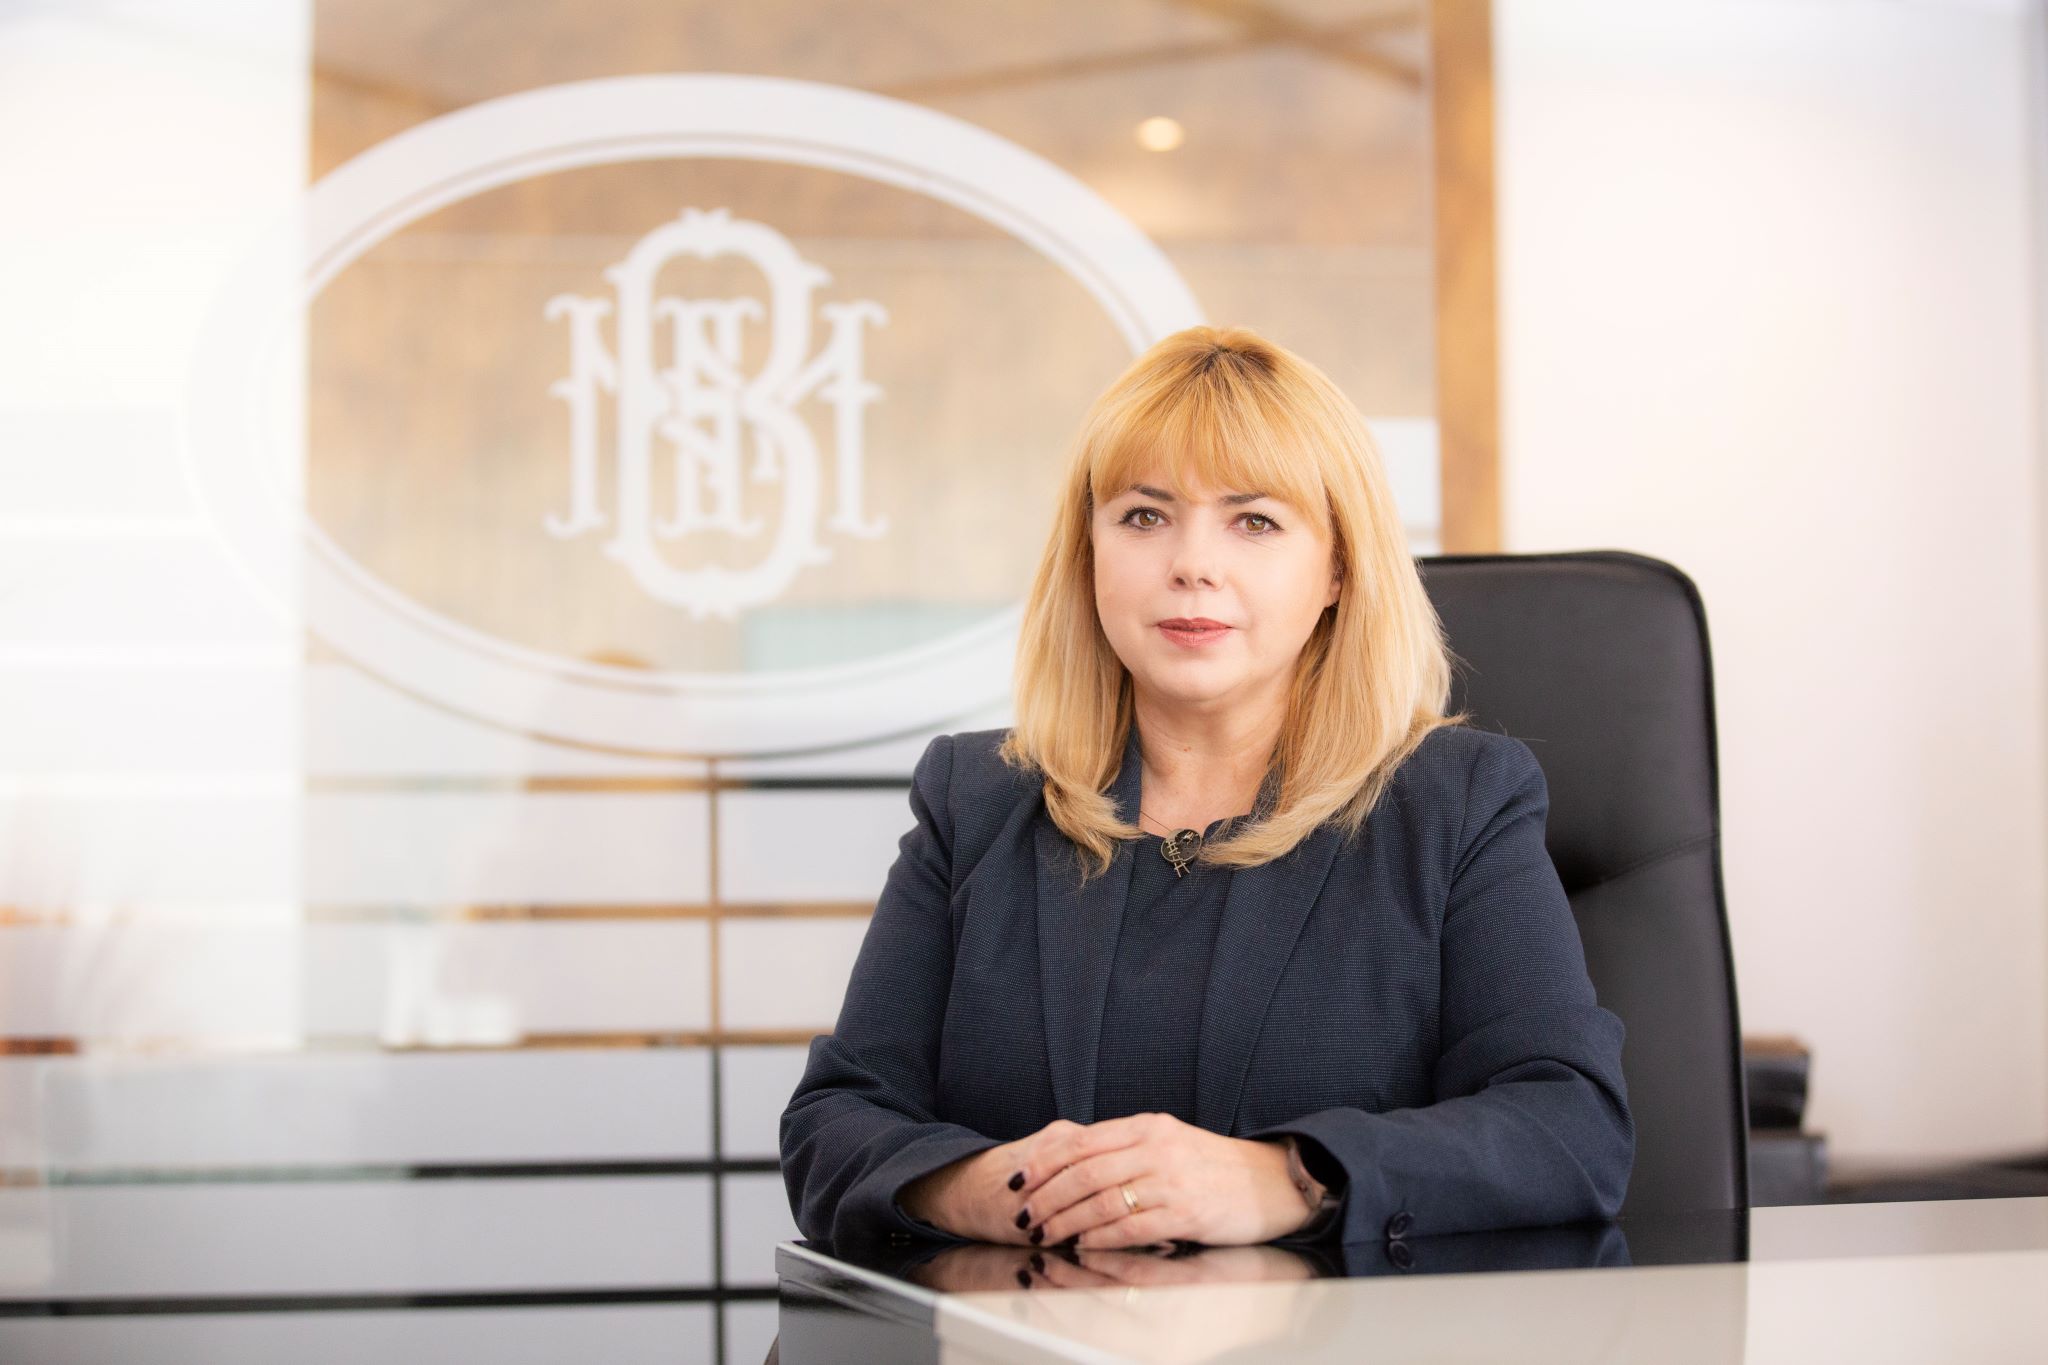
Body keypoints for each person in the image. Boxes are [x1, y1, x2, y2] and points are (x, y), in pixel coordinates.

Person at [779, 325, 1632, 1251]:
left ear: (1339, 567)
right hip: (1032, 1320)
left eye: (1254, 520)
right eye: (1144, 517)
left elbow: (1570, 1127)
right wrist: (991, 1191)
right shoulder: (974, 800)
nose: (1192, 563)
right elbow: (835, 1123)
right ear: (1089, 553)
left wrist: (1288, 1178)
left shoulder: (1457, 804)